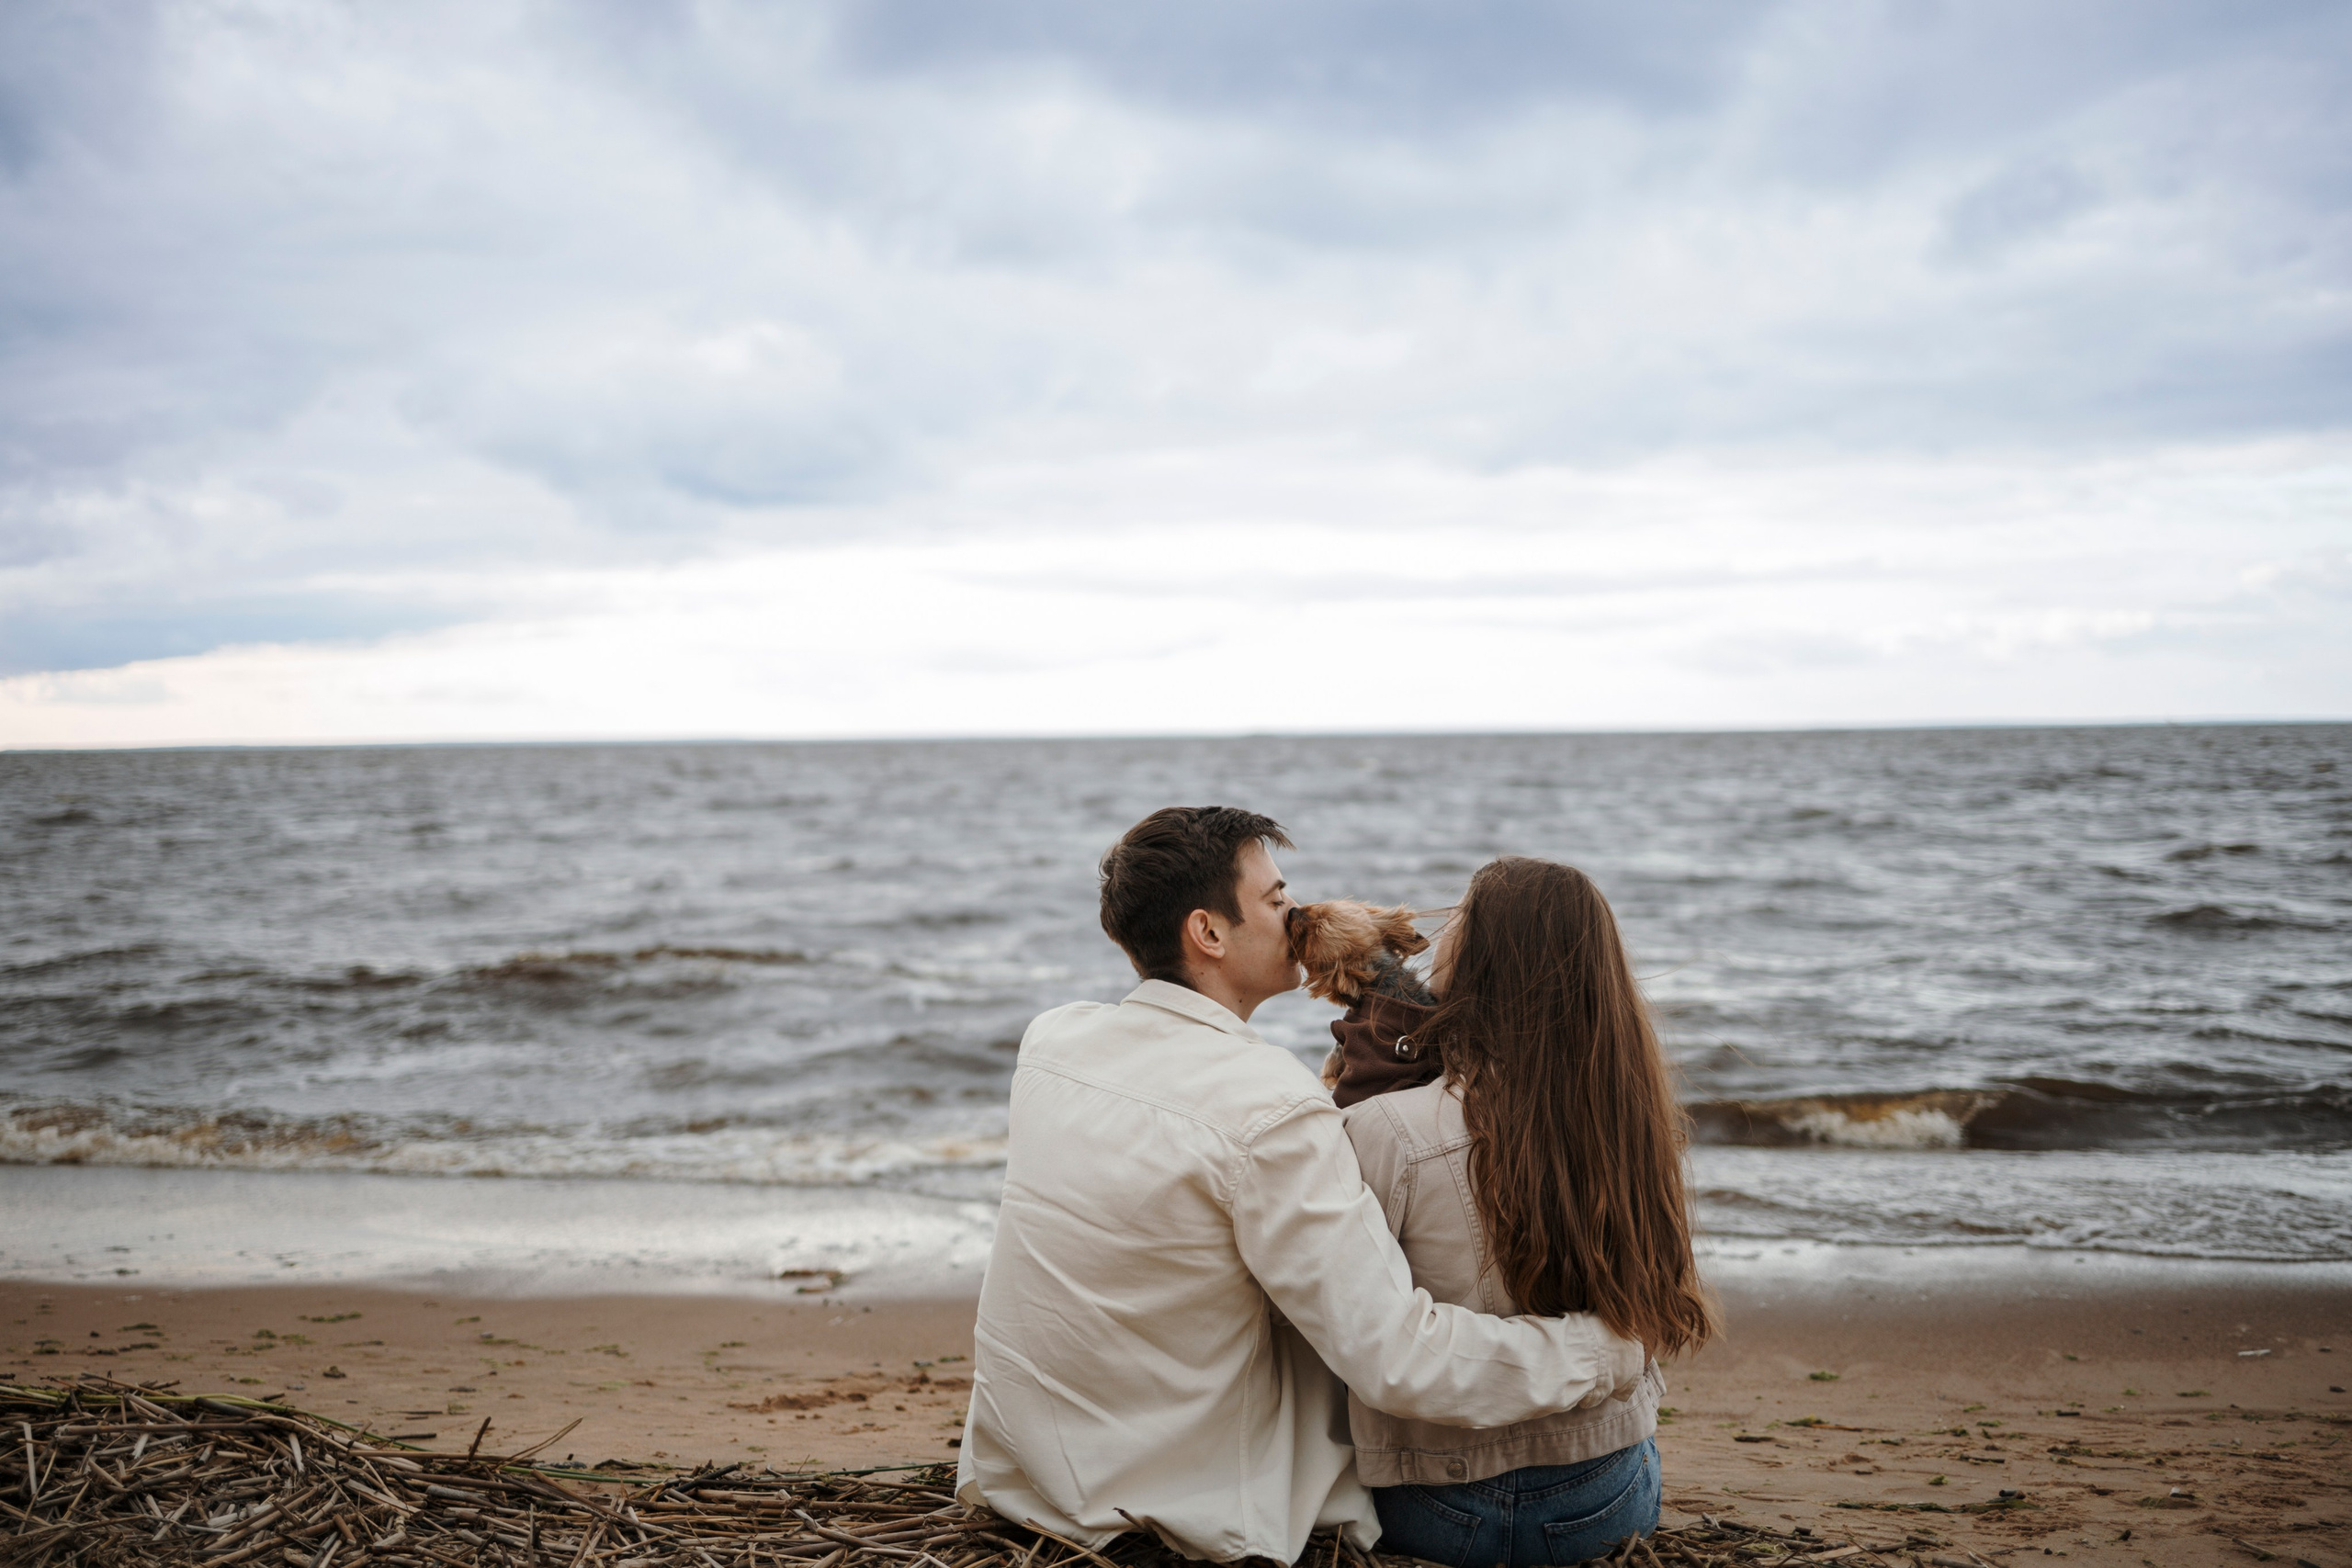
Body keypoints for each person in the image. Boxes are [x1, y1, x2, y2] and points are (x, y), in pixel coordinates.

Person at [955, 808, 1651, 1563]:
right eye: (1277, 898)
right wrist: (1604, 1350)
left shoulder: (1052, 1040)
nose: (1298, 914)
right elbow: (1400, 1361)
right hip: (1182, 1497)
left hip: (1033, 1469)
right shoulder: (1271, 1107)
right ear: (1209, 932)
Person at [1335, 856, 1714, 1566]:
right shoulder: (1633, 1115)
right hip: (1604, 1494)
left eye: (1459, 922)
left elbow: (1341, 1316)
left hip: (1432, 1505)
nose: (1439, 936)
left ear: (1484, 958)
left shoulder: (1387, 1126)